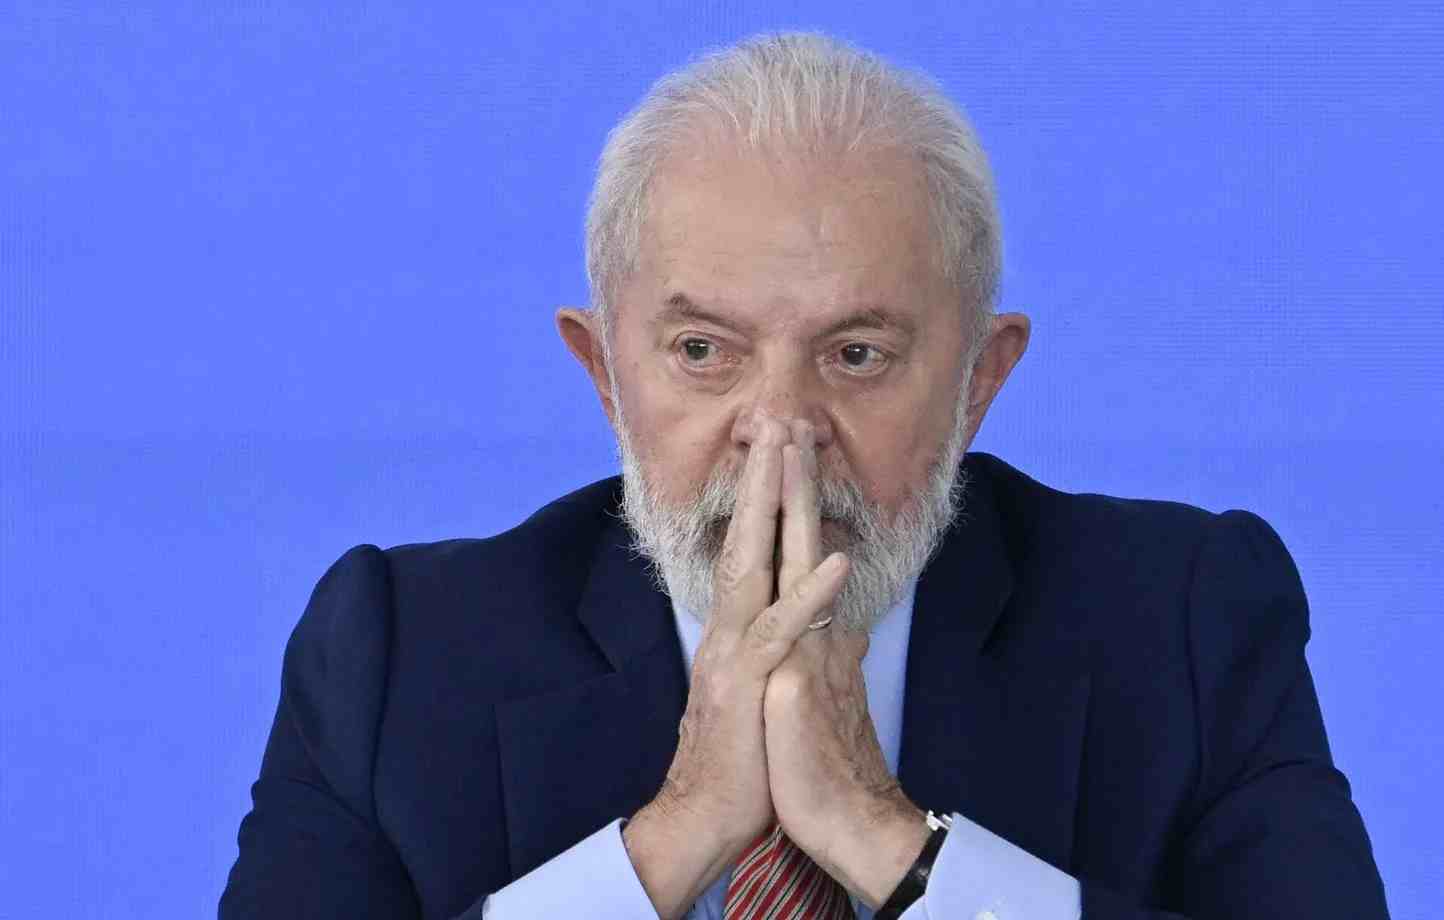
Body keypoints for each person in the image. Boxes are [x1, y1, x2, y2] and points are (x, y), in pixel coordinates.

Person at [219, 31, 1390, 920]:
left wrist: (889, 841)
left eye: (857, 354)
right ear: (603, 372)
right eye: (701, 351)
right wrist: (669, 839)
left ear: (979, 379)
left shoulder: (1187, 620)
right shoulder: (394, 654)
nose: (779, 428)